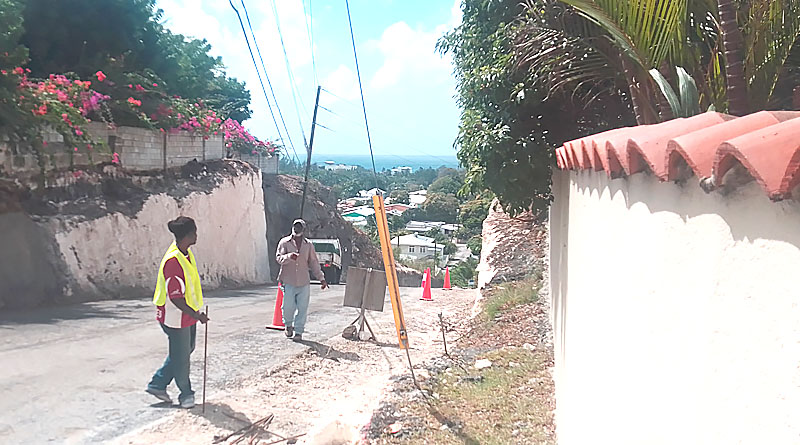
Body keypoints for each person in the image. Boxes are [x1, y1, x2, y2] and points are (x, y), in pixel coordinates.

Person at [146, 216, 209, 409]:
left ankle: (158, 383)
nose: (197, 235)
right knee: (182, 357)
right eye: (195, 232)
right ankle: (186, 394)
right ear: (188, 235)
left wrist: (194, 313)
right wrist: (197, 315)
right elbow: (176, 297)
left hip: (187, 315)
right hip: (175, 316)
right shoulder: (173, 261)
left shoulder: (185, 254)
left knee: (185, 350)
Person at [276, 219, 328, 341]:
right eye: (295, 226)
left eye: (299, 227)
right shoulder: (284, 243)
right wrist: (289, 257)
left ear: (303, 230)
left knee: (302, 308)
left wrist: (321, 278)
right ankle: (288, 325)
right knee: (288, 307)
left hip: (304, 281)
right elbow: (279, 258)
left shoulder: (308, 245)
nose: (296, 229)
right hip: (288, 280)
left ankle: (298, 332)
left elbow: (314, 262)